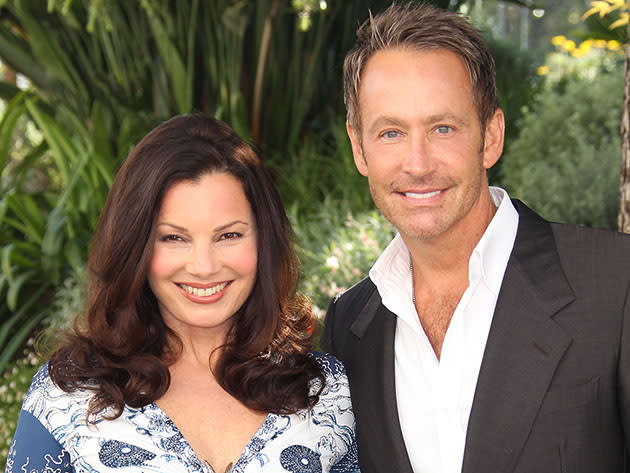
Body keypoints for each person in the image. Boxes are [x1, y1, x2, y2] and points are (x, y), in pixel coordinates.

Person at [321, 3, 630, 473]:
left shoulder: (615, 285)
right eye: (390, 133)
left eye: (442, 128)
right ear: (359, 148)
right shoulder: (349, 328)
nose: (418, 163)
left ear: (490, 135)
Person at [6, 114, 359, 473]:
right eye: (173, 238)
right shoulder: (69, 394)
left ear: (264, 241)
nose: (203, 267)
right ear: (135, 247)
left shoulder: (326, 392)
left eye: (229, 235)